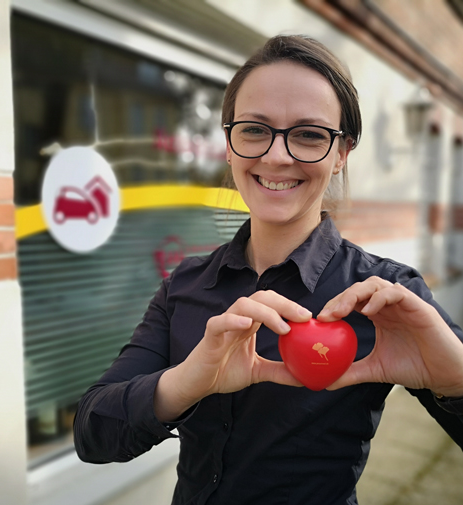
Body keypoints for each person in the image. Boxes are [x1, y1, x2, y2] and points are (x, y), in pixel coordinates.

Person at [73, 35, 463, 505]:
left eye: (309, 134)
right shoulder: (185, 286)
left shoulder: (388, 297)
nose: (277, 156)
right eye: (255, 129)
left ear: (342, 152)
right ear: (230, 144)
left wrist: (455, 381)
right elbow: (93, 435)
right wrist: (187, 381)